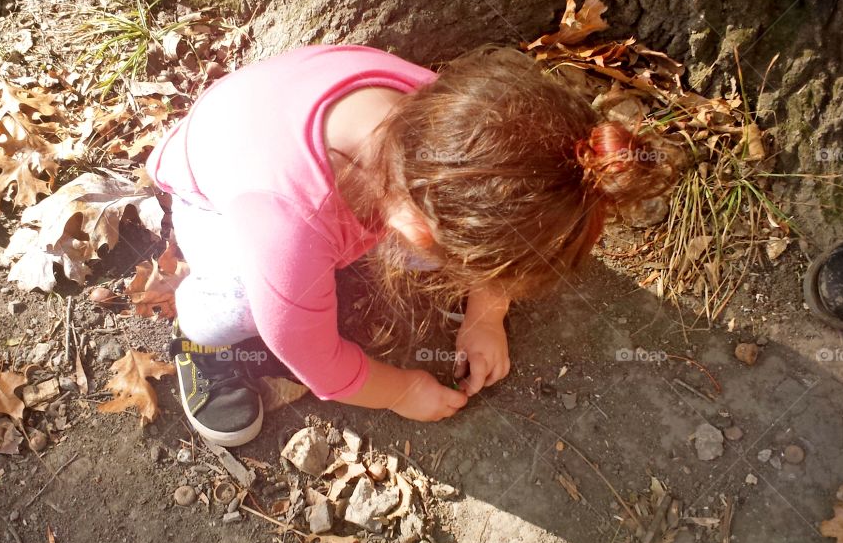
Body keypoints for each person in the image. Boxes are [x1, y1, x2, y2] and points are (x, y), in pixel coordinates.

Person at [146, 43, 672, 447]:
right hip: (213, 191)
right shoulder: (285, 224)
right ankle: (200, 338)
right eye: (478, 271)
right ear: (419, 227)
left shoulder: (450, 125)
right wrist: (399, 391)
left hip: (296, 124)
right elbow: (310, 355)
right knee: (239, 305)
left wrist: (486, 315)